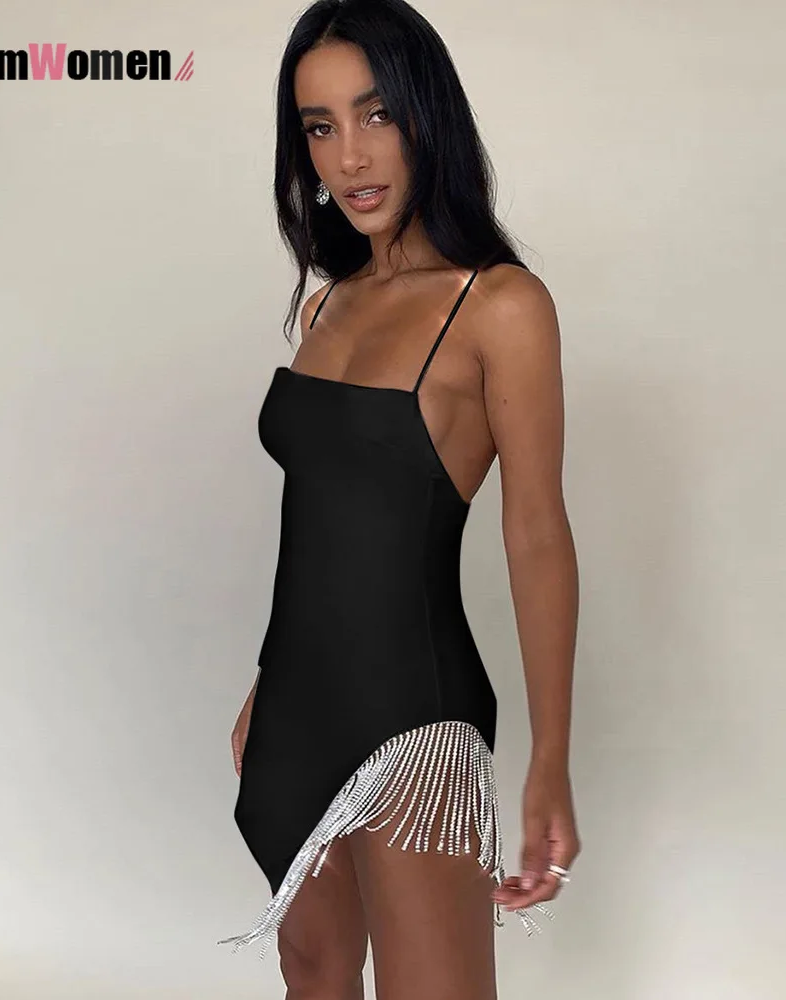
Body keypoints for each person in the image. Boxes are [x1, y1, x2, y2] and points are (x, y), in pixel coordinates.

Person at [218, 2, 581, 997]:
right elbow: (321, 520)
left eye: (376, 113)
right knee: (313, 970)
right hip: (295, 701)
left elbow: (536, 533)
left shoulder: (500, 306)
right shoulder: (328, 303)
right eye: (319, 125)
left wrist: (550, 760)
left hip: (410, 719)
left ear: (429, 116)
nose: (350, 155)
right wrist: (267, 682)